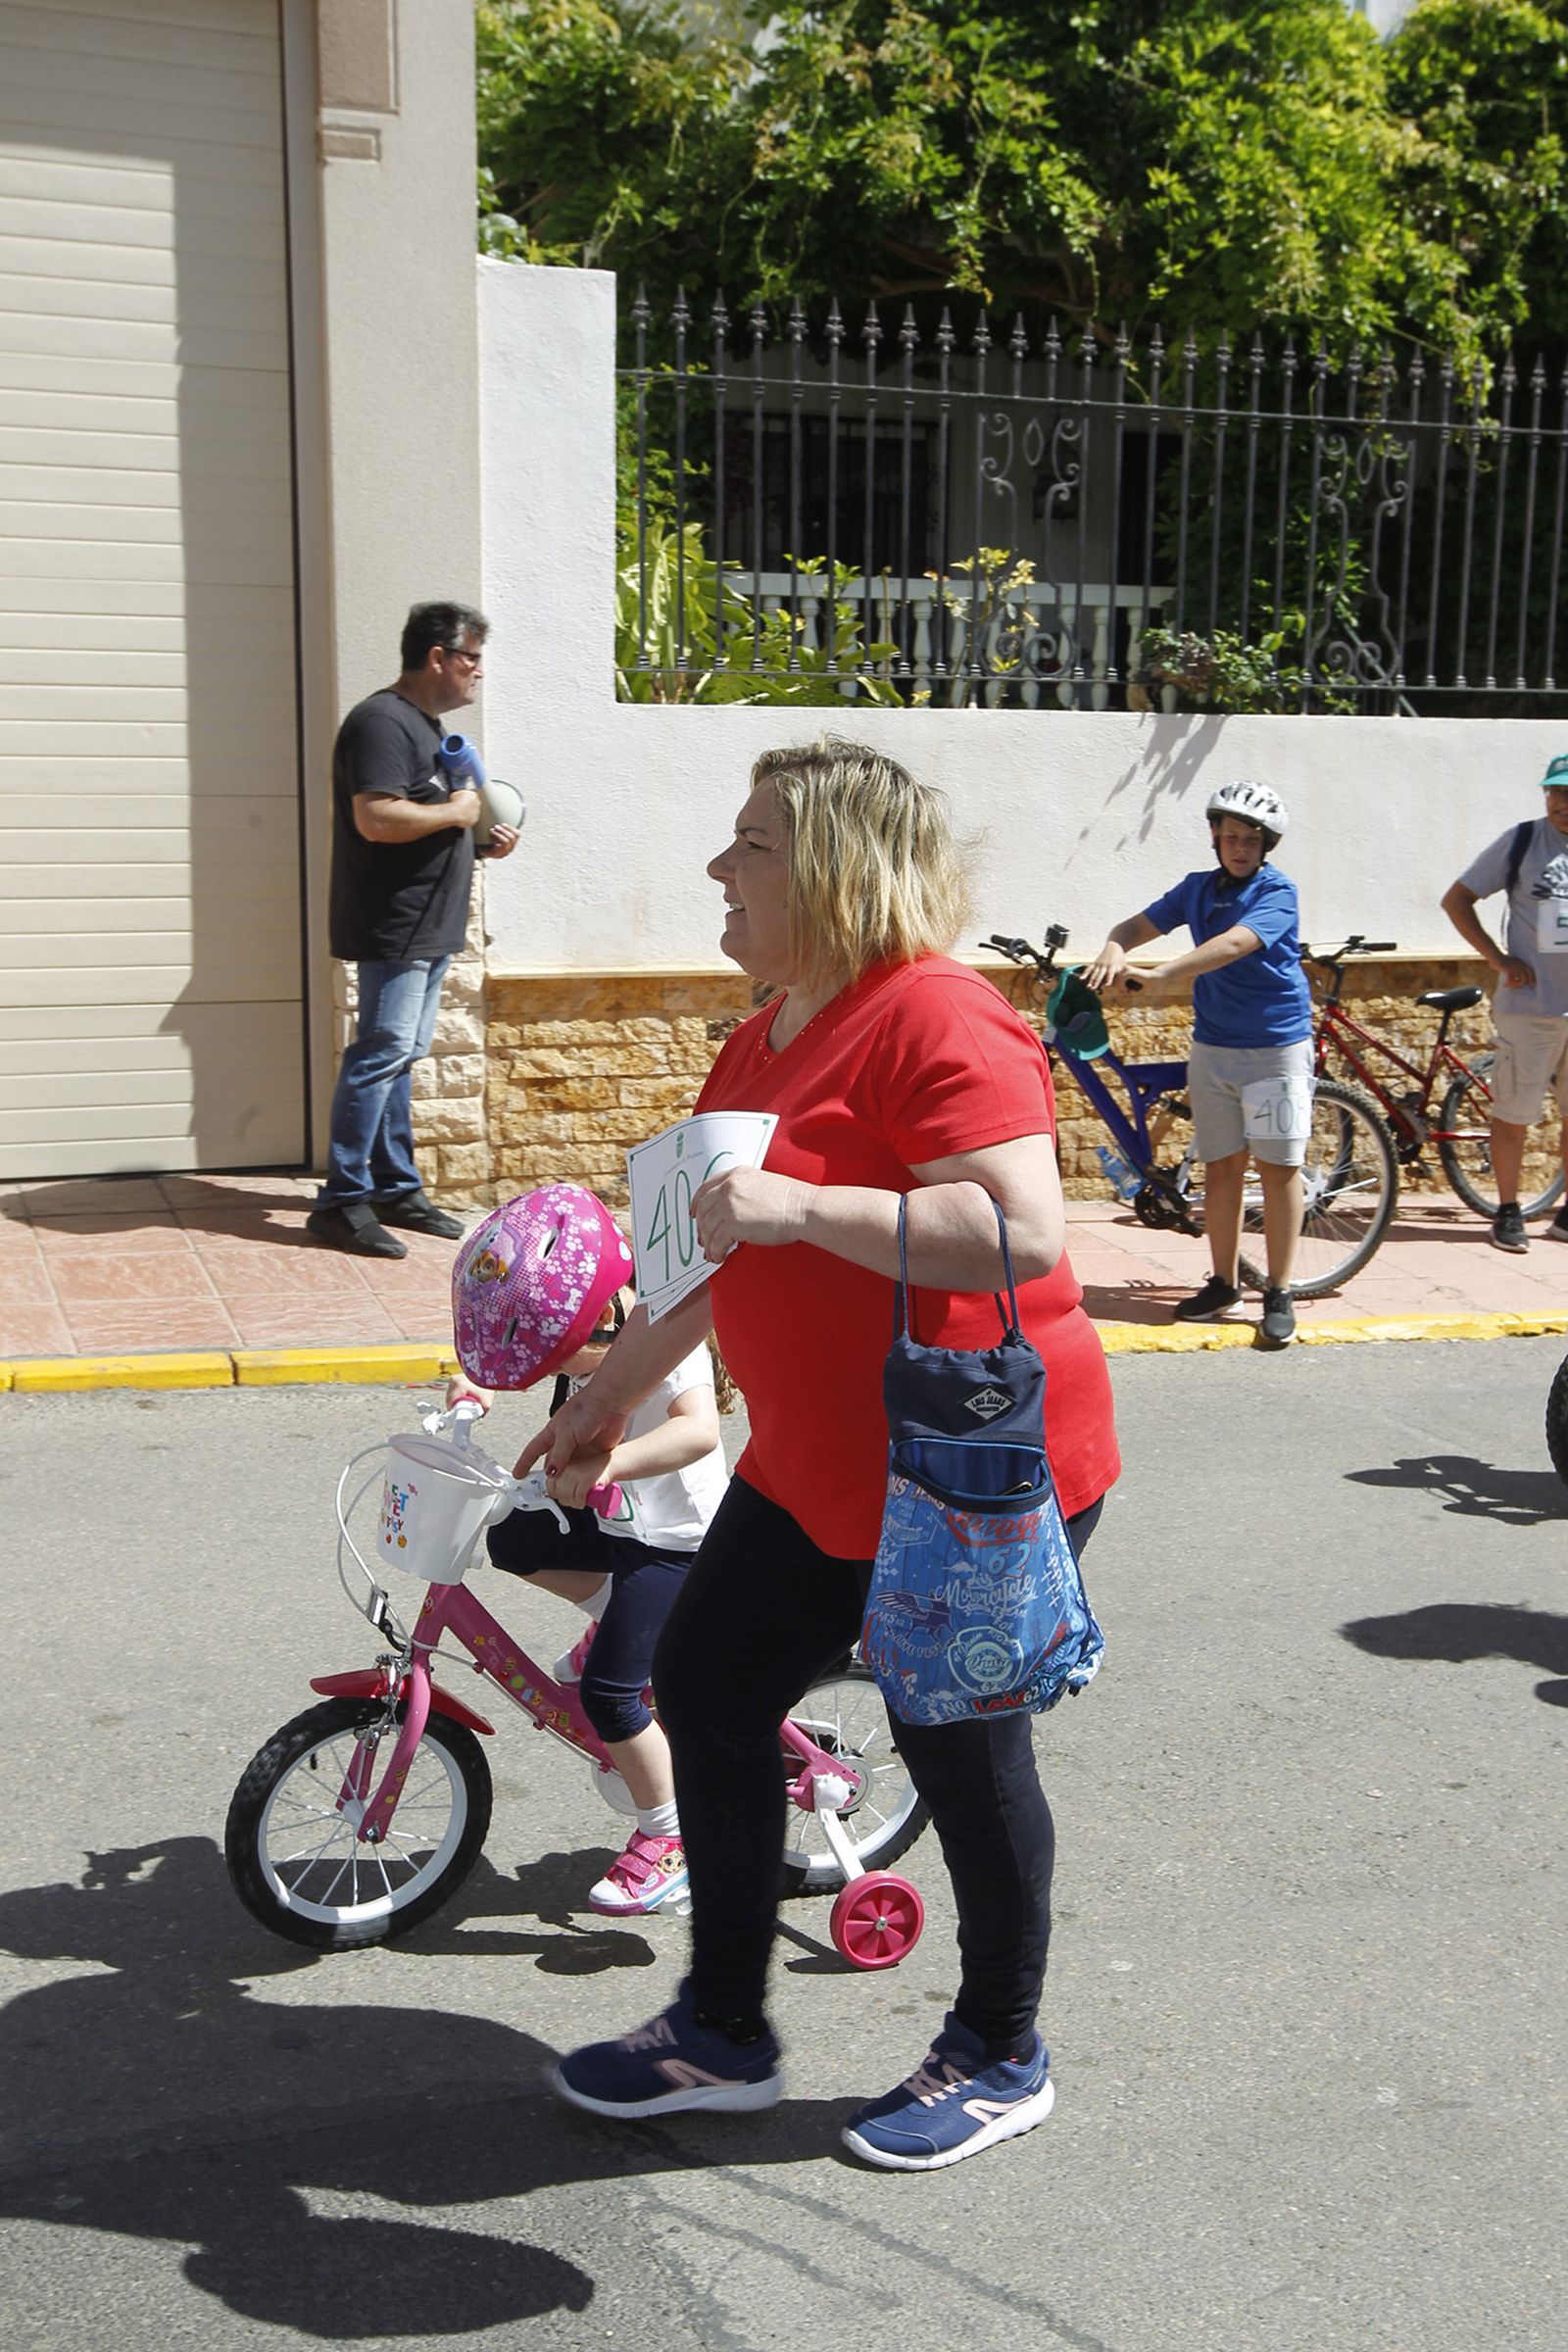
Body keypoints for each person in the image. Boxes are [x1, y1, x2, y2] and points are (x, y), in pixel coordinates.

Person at [517, 738, 1120, 2173]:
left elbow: (1022, 1231)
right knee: (707, 1687)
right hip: (809, 1470)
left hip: (966, 1478)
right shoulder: (764, 1036)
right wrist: (606, 1400)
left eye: (752, 845)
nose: (719, 869)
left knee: (958, 1754)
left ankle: (1001, 2050)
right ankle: (723, 2030)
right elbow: (709, 1261)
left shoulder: (940, 1016)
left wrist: (800, 1206)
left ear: (838, 871)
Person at [449, 1185, 729, 1915]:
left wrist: (608, 1466)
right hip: (620, 1529)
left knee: (609, 1693)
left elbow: (700, 1432)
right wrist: (474, 1384)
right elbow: (531, 1357)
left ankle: (668, 1837)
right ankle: (619, 1623)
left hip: (676, 1548)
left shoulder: (667, 1347)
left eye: (553, 1356)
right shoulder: (590, 1348)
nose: (551, 1372)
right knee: (514, 1536)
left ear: (601, 1319)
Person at [307, 601, 519, 1261]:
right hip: (395, 923)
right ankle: (342, 1201)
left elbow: (422, 819)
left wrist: (481, 841)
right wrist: (458, 813)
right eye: (471, 659)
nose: (478, 672)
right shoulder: (381, 722)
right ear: (437, 657)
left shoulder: (426, 728)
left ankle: (395, 1188)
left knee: (399, 1057)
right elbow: (376, 817)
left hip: (428, 923)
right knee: (380, 1054)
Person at [1082, 779, 1311, 1348]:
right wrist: (1115, 945)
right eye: (1231, 837)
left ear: (1266, 845)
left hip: (1275, 1050)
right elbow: (1135, 927)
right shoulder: (1197, 889)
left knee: (1278, 1168)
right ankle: (1224, 1283)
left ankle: (1279, 1290)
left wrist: (1163, 974)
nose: (1240, 848)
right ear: (1214, 836)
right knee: (1222, 1166)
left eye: (1251, 839)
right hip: (1213, 1048)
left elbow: (1234, 944)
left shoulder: (1278, 892)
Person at [1439, 753, 1568, 1252]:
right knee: (1514, 1113)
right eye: (1555, 792)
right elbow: (1457, 899)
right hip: (1530, 1008)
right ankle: (1508, 1210)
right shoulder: (1522, 841)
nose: (1562, 802)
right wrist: (1496, 958)